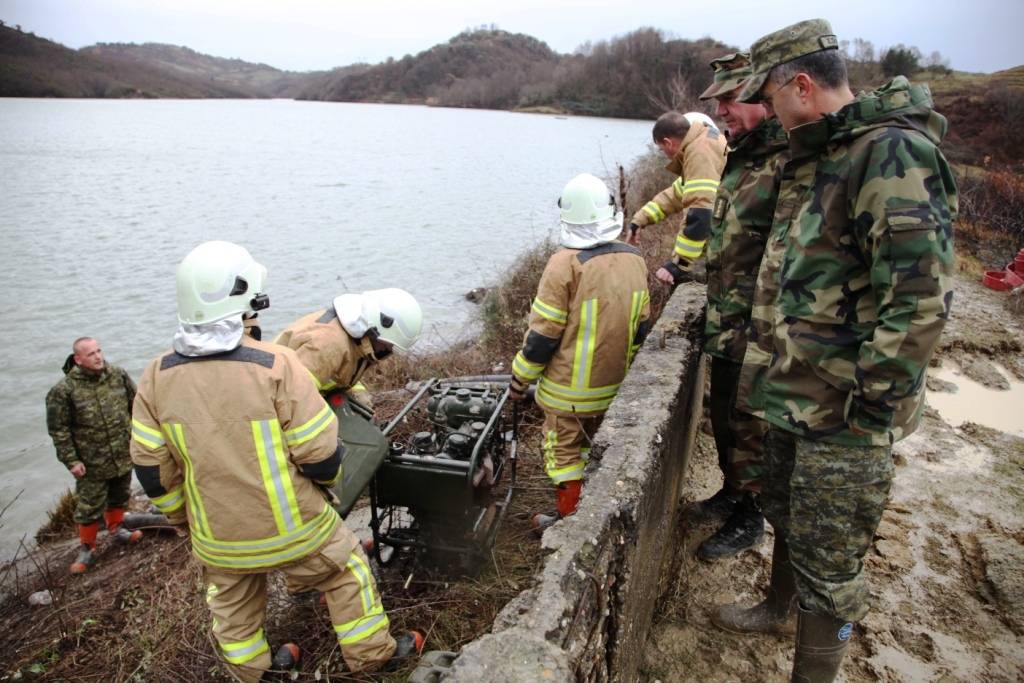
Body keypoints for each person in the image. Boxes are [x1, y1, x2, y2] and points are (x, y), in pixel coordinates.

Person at [715, 20, 957, 682]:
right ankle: (778, 609)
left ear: (801, 84)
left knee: (836, 568)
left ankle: (822, 662)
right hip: (798, 389)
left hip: (845, 411)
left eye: (767, 97)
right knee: (790, 515)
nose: (763, 112)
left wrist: (871, 398)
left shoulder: (890, 154)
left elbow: (919, 298)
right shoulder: (826, 151)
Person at [130, 241, 422, 681]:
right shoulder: (277, 365)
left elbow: (153, 473)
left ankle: (259, 674)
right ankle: (373, 657)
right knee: (346, 572)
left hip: (218, 537)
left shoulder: (155, 376)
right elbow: (321, 454)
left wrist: (184, 521)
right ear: (246, 307)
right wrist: (324, 496)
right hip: (293, 528)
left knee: (232, 613)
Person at [688, 52, 789, 561]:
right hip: (728, 319)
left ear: (759, 97)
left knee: (754, 425)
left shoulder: (786, 159)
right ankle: (732, 492)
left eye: (730, 99)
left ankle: (751, 518)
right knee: (725, 416)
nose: (722, 110)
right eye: (718, 101)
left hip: (761, 326)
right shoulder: (743, 153)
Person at [509, 173, 652, 530]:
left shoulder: (564, 264)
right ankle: (592, 509)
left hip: (567, 393)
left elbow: (542, 336)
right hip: (615, 387)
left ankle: (570, 524)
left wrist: (519, 379)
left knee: (564, 455)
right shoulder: (635, 259)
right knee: (594, 449)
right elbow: (641, 329)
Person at [46, 337, 142, 575]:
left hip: (121, 452)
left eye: (99, 351)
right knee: (89, 506)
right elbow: (59, 430)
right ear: (78, 359)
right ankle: (87, 548)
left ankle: (117, 528)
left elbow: (137, 405)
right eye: (91, 354)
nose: (98, 356)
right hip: (90, 462)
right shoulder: (64, 390)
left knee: (120, 493)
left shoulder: (117, 375)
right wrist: (71, 460)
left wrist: (141, 439)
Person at [274, 288, 423, 409]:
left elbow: (341, 371)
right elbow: (292, 398)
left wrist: (358, 394)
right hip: (279, 402)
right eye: (389, 343)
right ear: (377, 329)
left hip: (305, 395)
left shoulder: (359, 339)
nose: (388, 348)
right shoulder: (328, 345)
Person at [627, 110, 727, 285]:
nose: (664, 154)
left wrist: (679, 265)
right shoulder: (699, 146)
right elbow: (674, 195)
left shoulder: (700, 153)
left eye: (661, 148)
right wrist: (639, 220)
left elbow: (700, 212)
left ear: (668, 142)